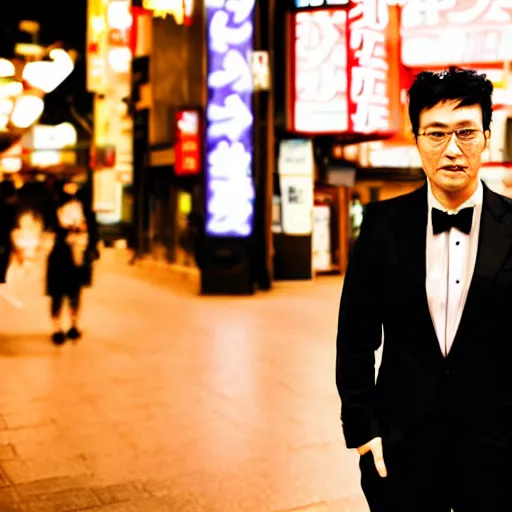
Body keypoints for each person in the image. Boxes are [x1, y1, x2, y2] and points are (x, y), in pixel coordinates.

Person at [335, 67, 512, 511]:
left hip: (498, 456)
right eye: (436, 134)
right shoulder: (380, 228)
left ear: (487, 137)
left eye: (466, 132)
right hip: (400, 454)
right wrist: (362, 431)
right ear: (417, 140)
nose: (452, 149)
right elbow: (355, 340)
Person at [46, 180, 98, 345]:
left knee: (74, 292)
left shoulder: (86, 211)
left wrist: (91, 248)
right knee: (59, 293)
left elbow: (94, 231)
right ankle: (57, 327)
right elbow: (54, 227)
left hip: (77, 255)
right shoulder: (56, 210)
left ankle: (72, 325)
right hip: (62, 254)